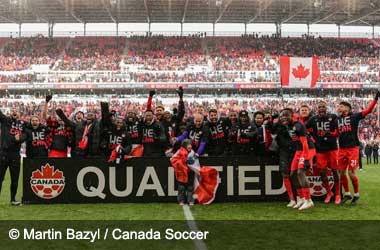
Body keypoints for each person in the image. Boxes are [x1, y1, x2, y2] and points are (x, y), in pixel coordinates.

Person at [337, 91, 380, 205]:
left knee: (351, 173)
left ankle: (356, 194)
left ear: (348, 108)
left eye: (341, 106)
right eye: (338, 106)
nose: (339, 108)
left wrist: (375, 98)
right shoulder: (337, 119)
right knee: (341, 173)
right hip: (341, 149)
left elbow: (368, 111)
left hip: (352, 148)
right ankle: (347, 194)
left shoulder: (354, 117)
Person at [280, 108, 316, 211]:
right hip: (299, 150)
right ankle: (300, 198)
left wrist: (306, 158)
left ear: (292, 116)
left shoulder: (299, 125)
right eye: (282, 116)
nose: (283, 117)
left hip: (307, 149)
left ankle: (308, 200)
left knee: (300, 172)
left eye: (286, 115)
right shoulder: (288, 125)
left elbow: (304, 143)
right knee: (293, 174)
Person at [306, 101, 340, 205]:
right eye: (319, 107)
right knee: (322, 172)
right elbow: (304, 130)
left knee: (335, 171)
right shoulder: (313, 119)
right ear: (317, 109)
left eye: (323, 107)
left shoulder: (333, 117)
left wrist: (332, 134)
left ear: (326, 108)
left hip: (332, 148)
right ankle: (329, 193)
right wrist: (312, 139)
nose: (321, 108)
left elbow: (339, 130)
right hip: (320, 150)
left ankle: (338, 194)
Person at [0, 108, 25, 205]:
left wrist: (21, 138)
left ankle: (13, 199)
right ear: (10, 113)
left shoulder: (23, 124)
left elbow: (28, 133)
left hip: (15, 155)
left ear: (19, 114)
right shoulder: (5, 120)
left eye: (16, 110)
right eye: (12, 110)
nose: (14, 112)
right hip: (3, 154)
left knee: (15, 179)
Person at [170, 139, 195, 206]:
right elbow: (172, 159)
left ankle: (190, 200)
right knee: (181, 187)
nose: (190, 146)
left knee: (190, 187)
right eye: (188, 145)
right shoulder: (179, 152)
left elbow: (195, 162)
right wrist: (182, 163)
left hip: (190, 172)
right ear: (184, 145)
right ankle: (181, 200)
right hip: (181, 172)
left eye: (190, 144)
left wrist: (192, 161)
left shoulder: (192, 152)